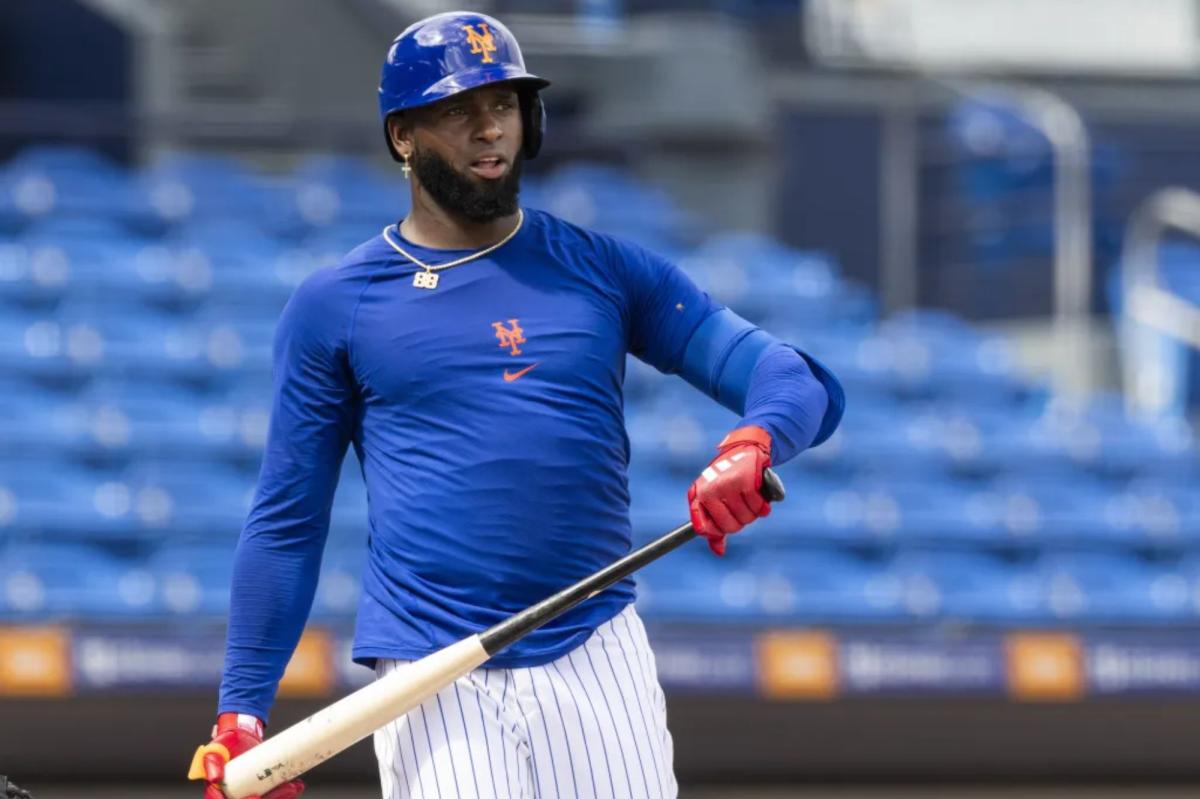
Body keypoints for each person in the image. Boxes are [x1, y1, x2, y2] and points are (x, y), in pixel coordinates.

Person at [189, 11, 844, 799]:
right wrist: (242, 715)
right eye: (458, 110)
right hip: (432, 668)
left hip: (596, 647)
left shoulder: (601, 268)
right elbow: (287, 521)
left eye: (503, 104)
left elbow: (793, 379)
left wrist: (755, 441)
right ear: (403, 136)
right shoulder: (335, 304)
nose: (489, 128)